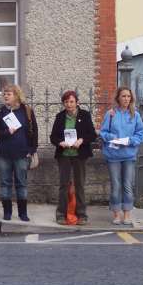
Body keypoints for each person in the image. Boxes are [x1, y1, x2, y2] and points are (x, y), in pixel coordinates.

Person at [0, 84, 38, 222]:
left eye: (8, 94)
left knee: (21, 183)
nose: (5, 96)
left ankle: (23, 213)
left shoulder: (27, 110)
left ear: (16, 95)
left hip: (22, 154)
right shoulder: (1, 112)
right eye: (4, 94)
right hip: (4, 155)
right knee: (5, 183)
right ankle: (7, 213)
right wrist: (6, 132)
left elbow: (35, 132)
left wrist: (32, 150)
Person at [50, 90, 97, 225]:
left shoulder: (85, 115)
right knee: (63, 185)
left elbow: (92, 135)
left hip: (79, 155)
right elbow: (53, 137)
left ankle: (81, 214)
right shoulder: (60, 117)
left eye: (71, 101)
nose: (69, 104)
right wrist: (60, 142)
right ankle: (61, 214)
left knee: (79, 184)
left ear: (77, 102)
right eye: (66, 102)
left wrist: (81, 140)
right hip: (64, 155)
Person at [100, 87, 143, 225]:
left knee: (127, 185)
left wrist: (130, 141)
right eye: (123, 96)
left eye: (128, 96)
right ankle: (116, 213)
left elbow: (141, 134)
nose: (126, 99)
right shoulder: (111, 114)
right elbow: (103, 132)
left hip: (128, 155)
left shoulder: (135, 115)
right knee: (116, 185)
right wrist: (112, 137)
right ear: (118, 98)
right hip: (113, 155)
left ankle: (127, 214)